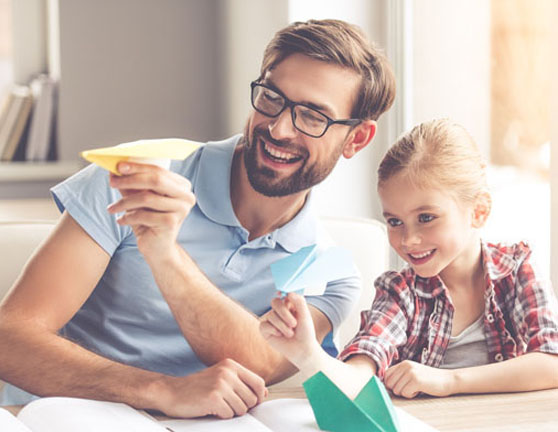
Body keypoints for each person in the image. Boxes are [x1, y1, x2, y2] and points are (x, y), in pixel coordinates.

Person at [0, 19, 395, 418]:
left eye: (312, 116)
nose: (278, 128)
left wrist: (165, 255)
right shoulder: (132, 178)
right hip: (54, 418)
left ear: (357, 139)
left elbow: (262, 361)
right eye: (272, 98)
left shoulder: (330, 272)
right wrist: (161, 390)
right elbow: (9, 340)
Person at [261, 118, 558, 400]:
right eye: (394, 221)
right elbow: (359, 375)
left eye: (426, 217)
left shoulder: (517, 270)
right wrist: (307, 353)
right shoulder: (400, 293)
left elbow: (551, 361)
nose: (408, 240)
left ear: (478, 211)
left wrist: (448, 381)